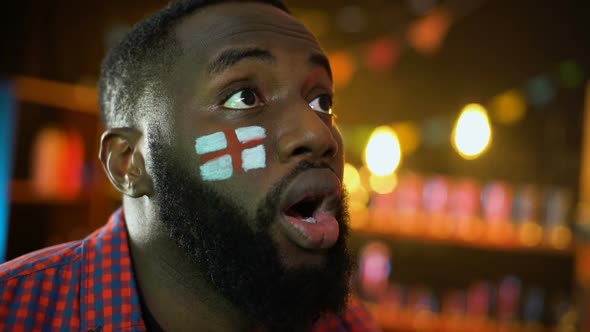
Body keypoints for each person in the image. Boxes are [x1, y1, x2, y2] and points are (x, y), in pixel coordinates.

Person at [0, 0, 380, 331]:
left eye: (322, 103)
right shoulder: (16, 312)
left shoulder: (348, 324)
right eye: (245, 97)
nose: (320, 136)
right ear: (129, 163)